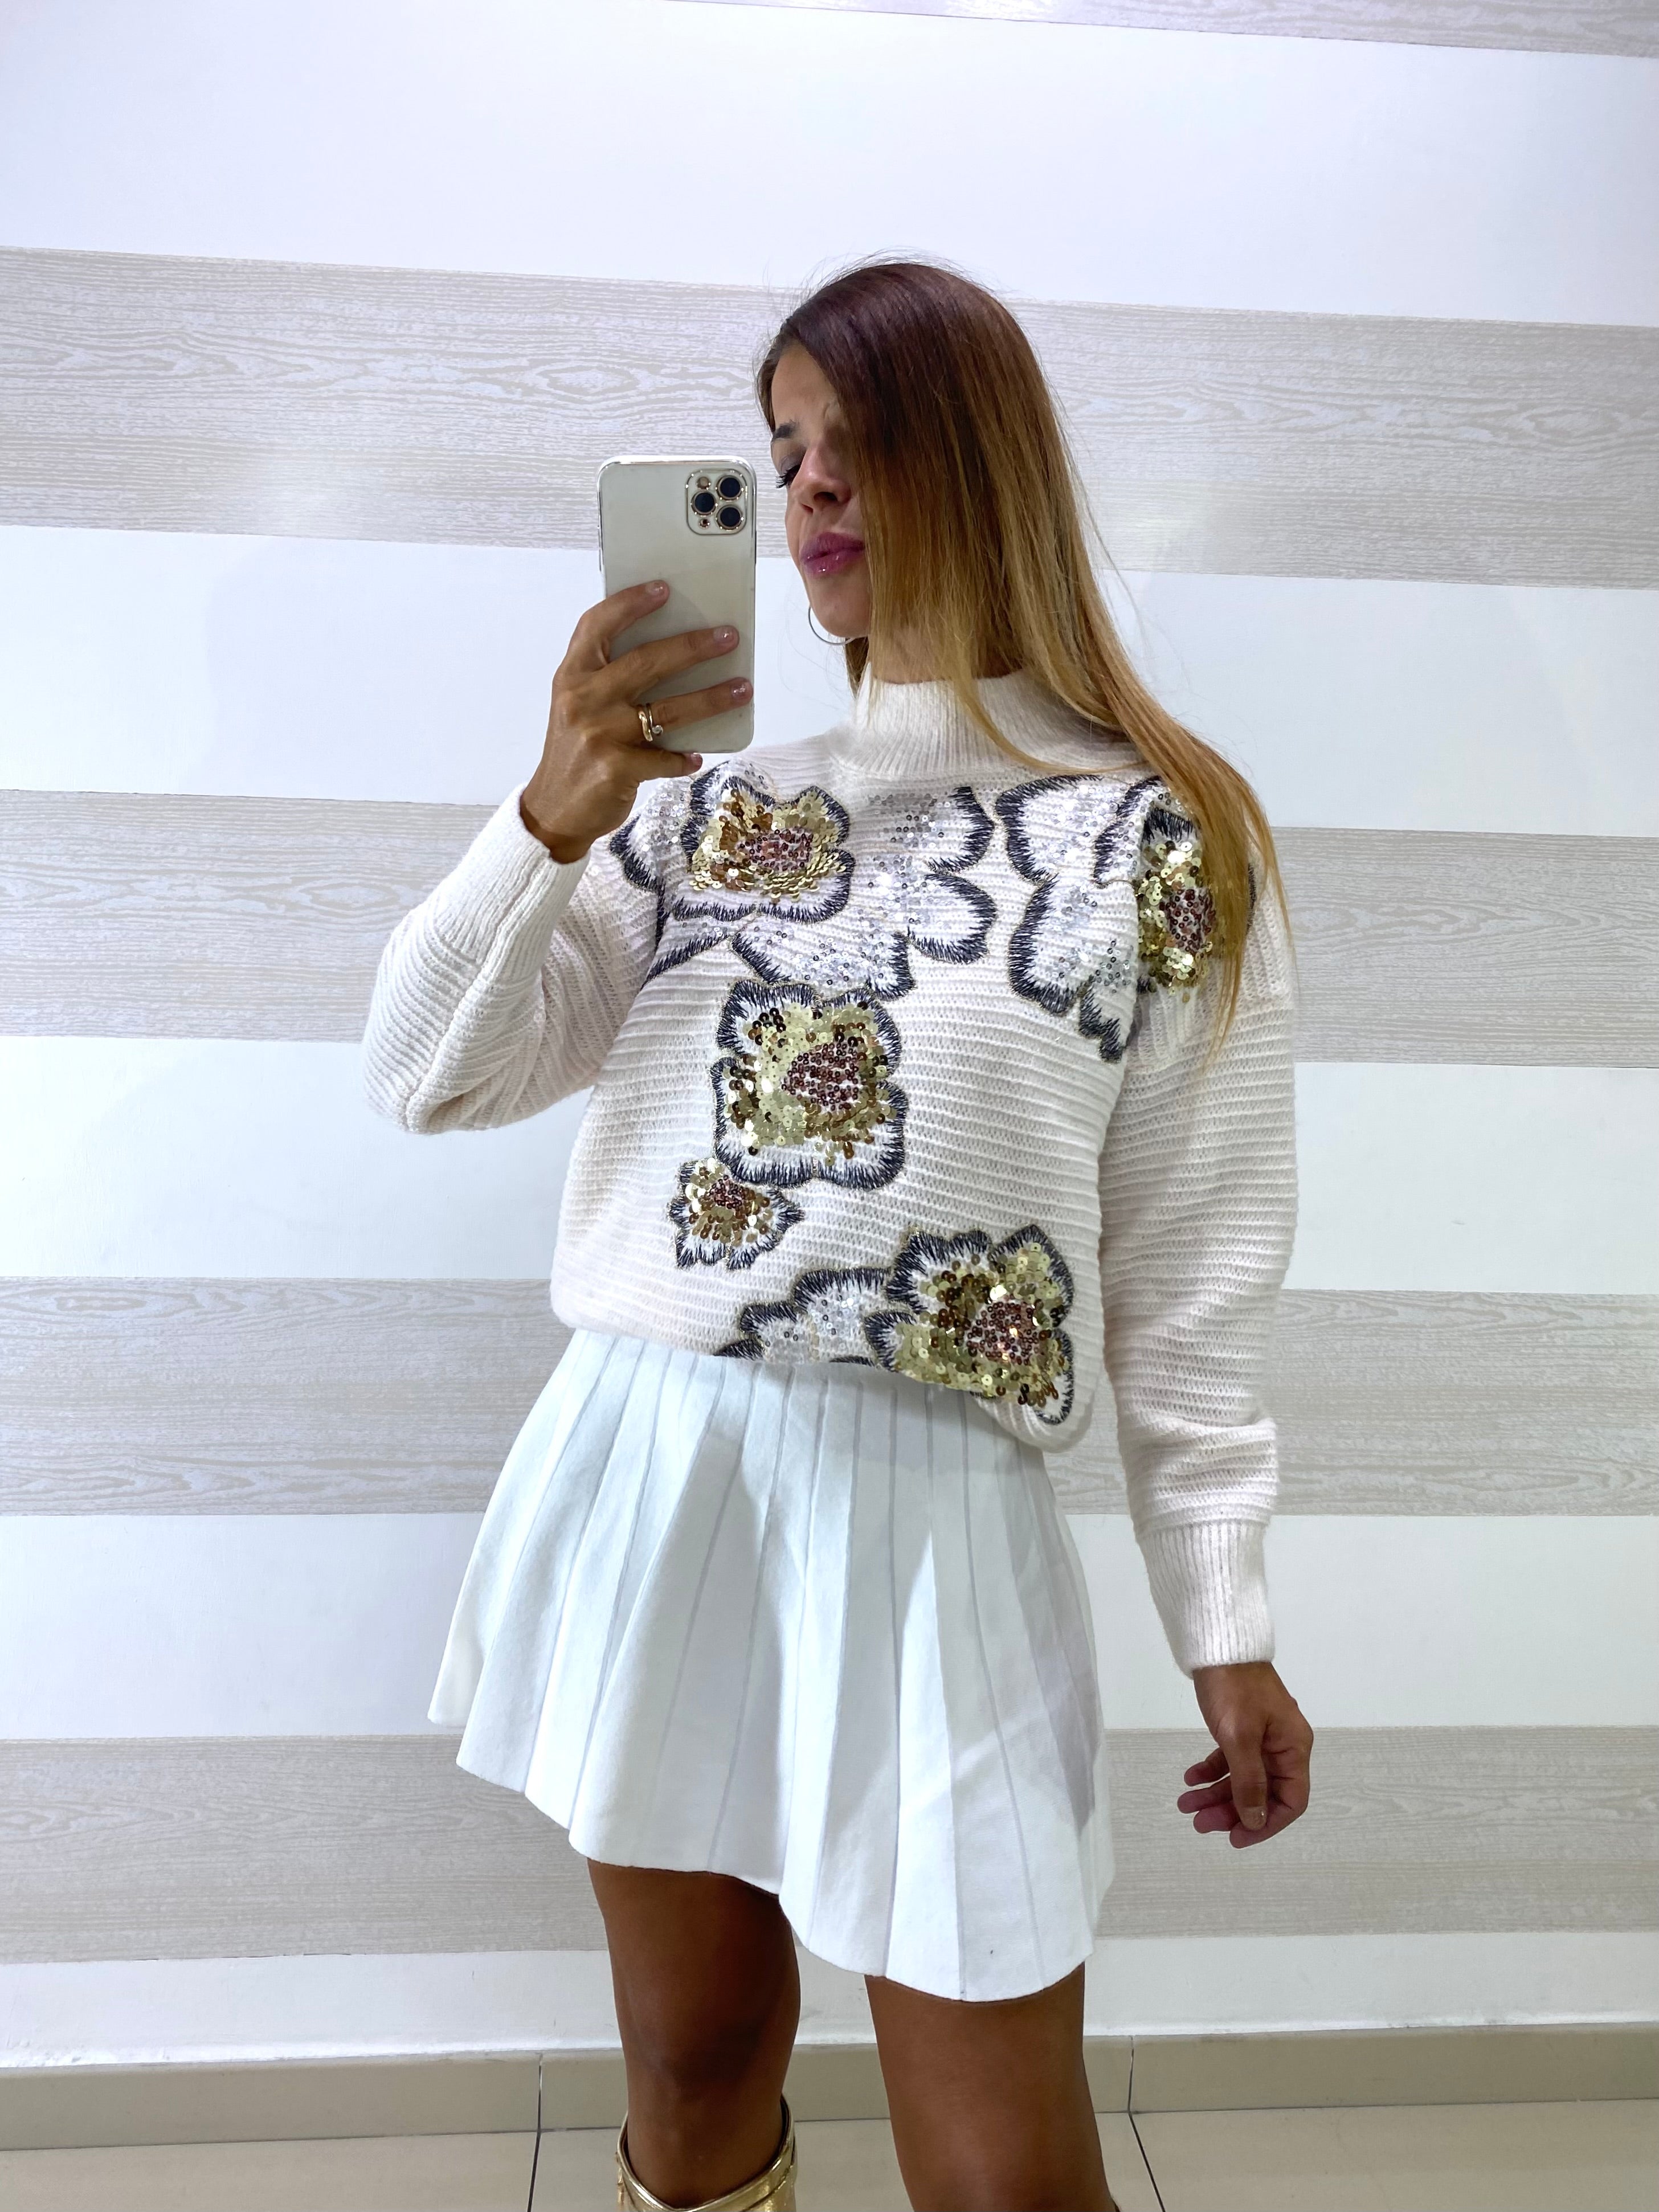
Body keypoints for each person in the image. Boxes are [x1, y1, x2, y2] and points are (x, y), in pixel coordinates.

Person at [362, 255, 1314, 2212]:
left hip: (945, 1523)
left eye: (857, 438)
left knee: (1005, 2166)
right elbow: (427, 1075)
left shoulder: (1160, 839)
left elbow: (1192, 1277)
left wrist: (1225, 1624)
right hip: (660, 1468)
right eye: (784, 446)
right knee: (695, 2063)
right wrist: (547, 820)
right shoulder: (697, 814)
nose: (806, 486)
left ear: (984, 460)